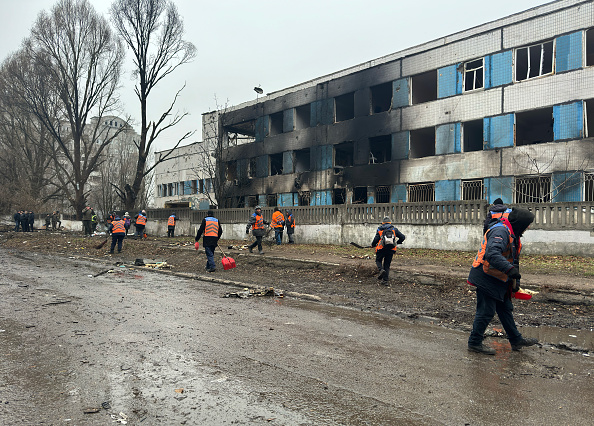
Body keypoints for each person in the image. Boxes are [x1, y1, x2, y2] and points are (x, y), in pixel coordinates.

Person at [467, 207, 538, 355]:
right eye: (528, 224)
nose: (529, 227)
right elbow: (492, 253)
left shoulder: (513, 233)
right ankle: (474, 343)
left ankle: (516, 340)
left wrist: (514, 284)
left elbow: (514, 260)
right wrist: (509, 270)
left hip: (498, 275)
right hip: (485, 275)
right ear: (521, 223)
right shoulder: (500, 231)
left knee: (505, 309)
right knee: (486, 311)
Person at [371, 216, 406, 285]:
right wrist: (398, 242)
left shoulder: (379, 229)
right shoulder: (394, 229)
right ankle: (385, 281)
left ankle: (381, 270)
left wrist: (373, 244)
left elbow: (376, 239)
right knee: (387, 264)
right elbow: (403, 237)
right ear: (390, 222)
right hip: (391, 249)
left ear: (383, 223)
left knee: (378, 260)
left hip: (381, 248)